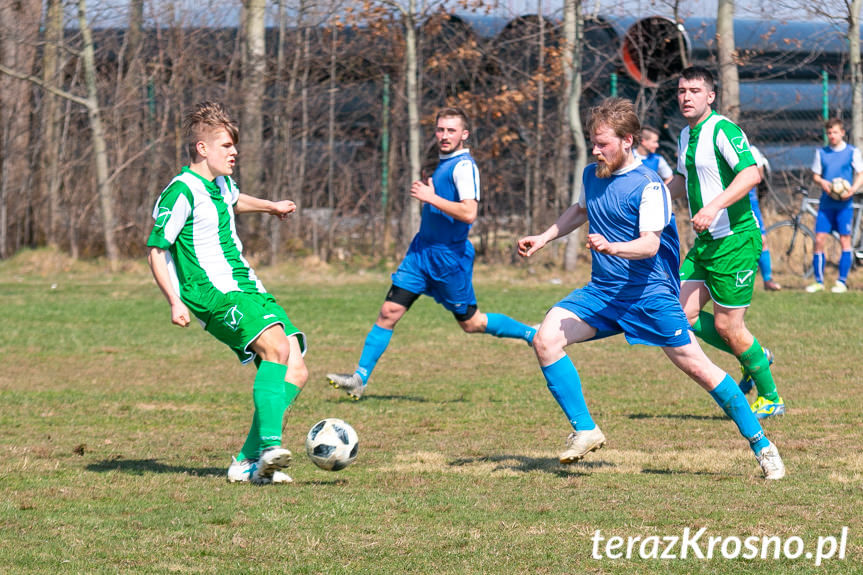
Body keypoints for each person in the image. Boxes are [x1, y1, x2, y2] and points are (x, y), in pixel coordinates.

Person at [516, 97, 784, 480]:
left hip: (650, 297)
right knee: (546, 339)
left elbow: (650, 245)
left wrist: (613, 247)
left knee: (703, 372)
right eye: (593, 142)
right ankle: (586, 429)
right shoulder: (593, 174)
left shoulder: (649, 186)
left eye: (603, 143)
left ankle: (763, 446)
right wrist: (544, 237)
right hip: (604, 292)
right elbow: (580, 210)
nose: (595, 150)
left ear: (628, 140)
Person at [146, 101, 307, 485]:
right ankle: (269, 447)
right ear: (203, 149)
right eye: (226, 146)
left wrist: (270, 207)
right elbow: (156, 248)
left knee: (297, 369)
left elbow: (235, 200)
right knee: (275, 349)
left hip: (247, 286)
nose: (234, 152)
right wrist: (174, 301)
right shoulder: (181, 191)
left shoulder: (219, 183)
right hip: (212, 293)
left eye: (234, 146)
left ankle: (246, 462)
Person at [326, 107, 536, 399]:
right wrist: (432, 196)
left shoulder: (464, 167)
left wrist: (430, 197)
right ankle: (360, 378)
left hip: (449, 260)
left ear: (464, 134)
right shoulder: (443, 164)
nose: (444, 135)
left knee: (472, 323)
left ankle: (532, 335)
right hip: (420, 253)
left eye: (451, 130)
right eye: (440, 130)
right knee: (389, 312)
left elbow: (469, 212)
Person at [668, 66, 785, 420]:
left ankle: (771, 397)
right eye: (681, 90)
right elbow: (679, 179)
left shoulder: (723, 129)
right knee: (679, 314)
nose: (686, 97)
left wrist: (713, 206)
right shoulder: (685, 136)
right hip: (706, 243)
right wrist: (648, 195)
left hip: (734, 241)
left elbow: (752, 174)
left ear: (711, 95)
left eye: (694, 90)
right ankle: (756, 356)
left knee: (727, 327)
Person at [806, 118, 863, 293]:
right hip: (826, 204)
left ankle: (841, 281)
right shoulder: (821, 153)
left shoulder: (852, 152)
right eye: (829, 133)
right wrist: (823, 183)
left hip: (844, 205)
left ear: (842, 133)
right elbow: (816, 175)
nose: (832, 136)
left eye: (835, 132)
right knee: (819, 240)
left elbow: (861, 173)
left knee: (845, 240)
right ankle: (819, 282)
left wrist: (852, 189)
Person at [748, 145, 782, 291]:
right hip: (727, 202)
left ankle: (768, 280)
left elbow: (759, 176)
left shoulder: (751, 150)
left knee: (761, 240)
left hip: (749, 200)